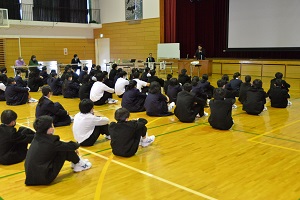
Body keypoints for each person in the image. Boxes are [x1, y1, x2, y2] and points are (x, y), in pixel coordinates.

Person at [25, 115, 92, 186]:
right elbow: (69, 146)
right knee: (63, 149)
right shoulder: (51, 142)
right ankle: (79, 163)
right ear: (50, 129)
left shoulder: (37, 137)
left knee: (61, 147)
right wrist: (76, 145)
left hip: (31, 178)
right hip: (45, 178)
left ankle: (76, 162)